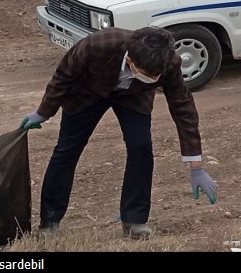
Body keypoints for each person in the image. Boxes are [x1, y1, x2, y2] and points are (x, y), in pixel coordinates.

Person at [19, 26, 217, 240]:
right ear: (130, 60)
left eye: (156, 76)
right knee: (67, 150)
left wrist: (195, 163)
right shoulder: (98, 45)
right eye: (147, 74)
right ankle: (50, 221)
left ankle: (134, 220)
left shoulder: (169, 61)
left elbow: (182, 105)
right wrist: (44, 112)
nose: (154, 78)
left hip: (134, 96)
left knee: (141, 148)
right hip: (87, 93)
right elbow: (63, 77)